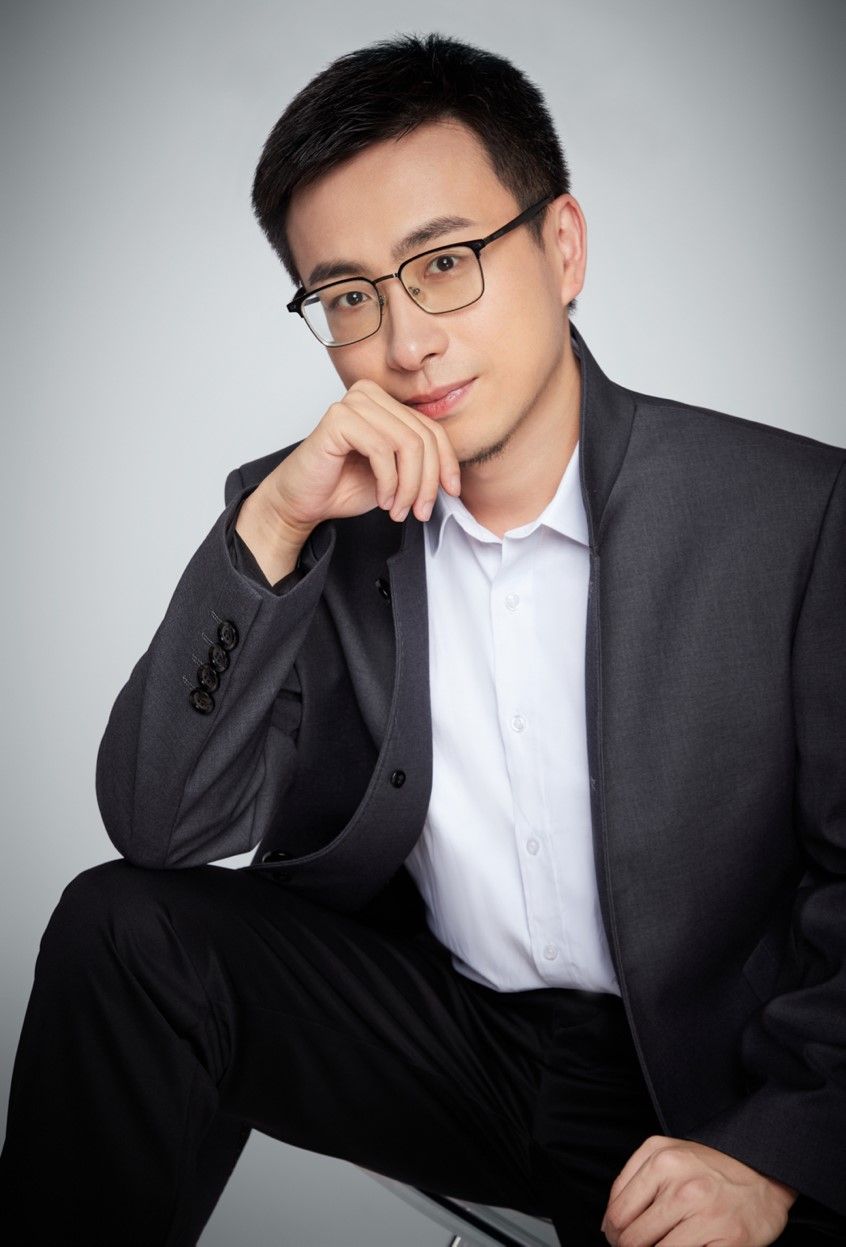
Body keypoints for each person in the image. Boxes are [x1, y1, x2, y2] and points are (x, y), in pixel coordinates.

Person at [1, 31, 844, 1247]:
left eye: (444, 263)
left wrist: (775, 1149)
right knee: (121, 928)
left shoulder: (794, 513)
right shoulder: (310, 517)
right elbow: (159, 827)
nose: (405, 343)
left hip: (709, 1085)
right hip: (453, 1041)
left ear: (563, 248)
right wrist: (272, 526)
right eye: (349, 296)